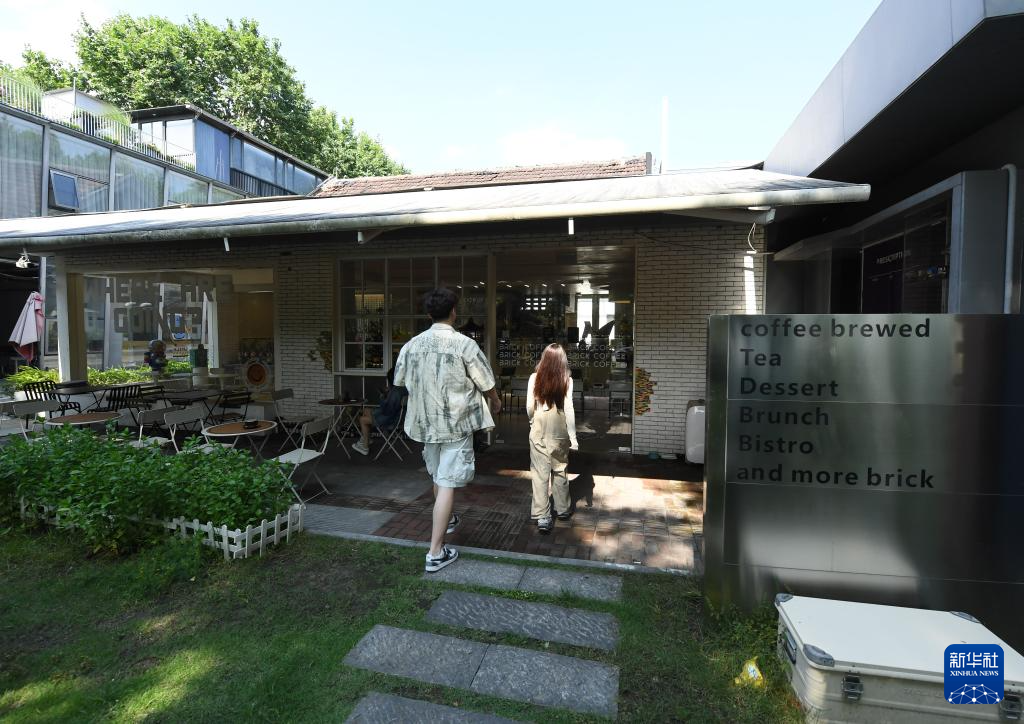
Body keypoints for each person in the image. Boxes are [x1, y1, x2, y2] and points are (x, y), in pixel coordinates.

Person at [394, 288, 502, 572]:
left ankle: (448, 519)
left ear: (429, 313)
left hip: (425, 423)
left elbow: (400, 380)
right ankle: (435, 552)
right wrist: (495, 401)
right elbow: (485, 380)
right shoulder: (464, 344)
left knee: (438, 475)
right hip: (456, 422)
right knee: (446, 482)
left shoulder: (412, 345)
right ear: (454, 311)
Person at [527, 343, 579, 534]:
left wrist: (533, 422)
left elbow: (529, 407)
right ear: (562, 360)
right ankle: (563, 509)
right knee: (560, 468)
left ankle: (543, 516)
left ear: (544, 358)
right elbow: (569, 409)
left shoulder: (534, 378)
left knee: (540, 473)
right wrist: (573, 437)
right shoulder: (567, 380)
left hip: (539, 426)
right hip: (559, 428)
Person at [352, 368, 408, 456]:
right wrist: (388, 394)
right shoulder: (403, 389)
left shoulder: (395, 392)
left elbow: (387, 411)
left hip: (389, 420)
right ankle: (367, 438)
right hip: (397, 418)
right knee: (366, 410)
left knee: (362, 419)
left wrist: (383, 397)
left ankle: (364, 447)